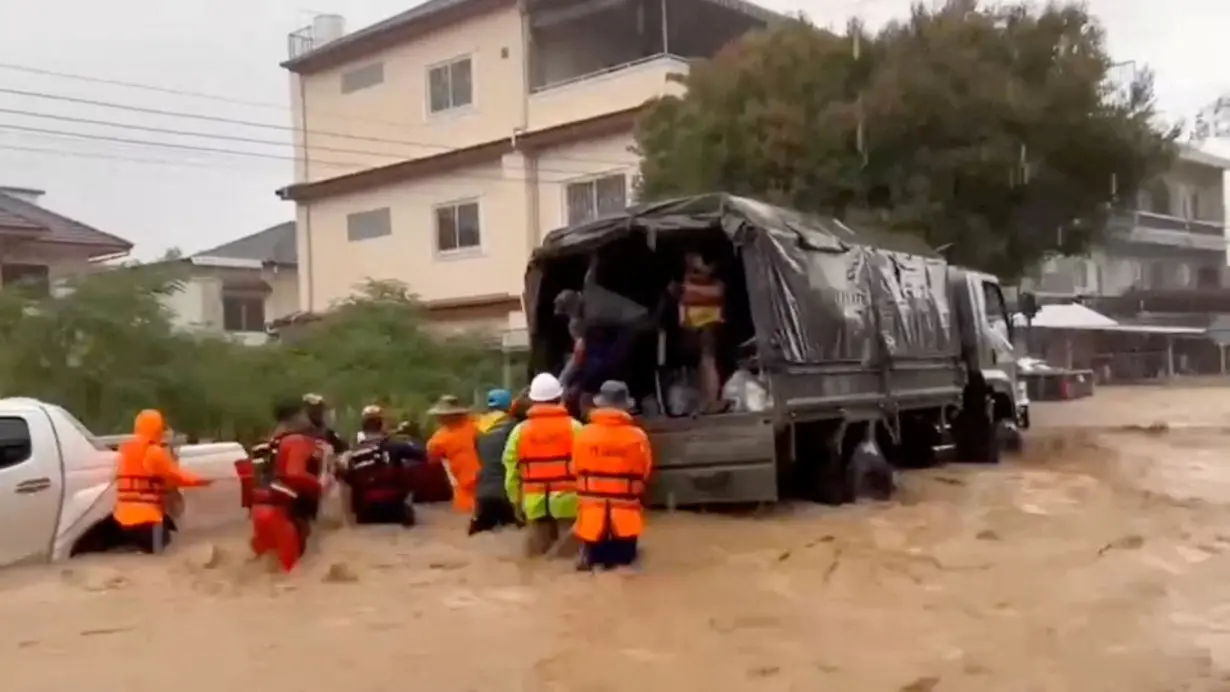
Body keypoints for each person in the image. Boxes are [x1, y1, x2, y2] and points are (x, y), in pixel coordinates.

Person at [571, 381, 653, 570]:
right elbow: (645, 472)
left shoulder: (583, 435)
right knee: (626, 574)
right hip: (625, 523)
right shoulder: (638, 438)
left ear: (600, 404)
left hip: (592, 523)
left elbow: (575, 469)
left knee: (593, 577)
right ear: (625, 405)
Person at [502, 373, 581, 557]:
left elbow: (511, 470)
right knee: (567, 559)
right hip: (567, 501)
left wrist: (515, 501)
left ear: (532, 401)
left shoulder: (519, 431)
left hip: (534, 502)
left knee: (536, 559)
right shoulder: (575, 428)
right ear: (559, 398)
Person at [112, 409, 212, 553]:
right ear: (158, 429)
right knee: (164, 549)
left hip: (121, 521)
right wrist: (200, 481)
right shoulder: (154, 452)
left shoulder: (124, 449)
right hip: (147, 521)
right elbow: (175, 476)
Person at [249, 399, 325, 573]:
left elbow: (251, 480)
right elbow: (294, 474)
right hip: (285, 513)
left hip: (259, 511)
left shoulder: (263, 446)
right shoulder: (297, 440)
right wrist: (319, 484)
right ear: (297, 416)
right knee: (292, 575)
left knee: (266, 572)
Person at [338, 405, 425, 526]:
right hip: (395, 511)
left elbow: (345, 480)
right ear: (382, 424)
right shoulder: (395, 447)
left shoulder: (351, 452)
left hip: (364, 515)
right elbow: (422, 455)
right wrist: (415, 436)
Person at [673, 252, 725, 412]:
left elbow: (718, 292)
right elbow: (681, 301)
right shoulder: (686, 280)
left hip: (709, 323)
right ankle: (702, 400)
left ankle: (711, 400)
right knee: (698, 364)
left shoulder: (716, 284)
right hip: (690, 325)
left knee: (707, 360)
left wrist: (687, 288)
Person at [470, 389, 524, 535]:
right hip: (506, 495)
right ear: (508, 405)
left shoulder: (477, 428)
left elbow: (478, 456)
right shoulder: (514, 427)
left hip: (482, 494)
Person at [425, 395, 481, 514]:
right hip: (481, 484)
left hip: (468, 487)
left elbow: (432, 461)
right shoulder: (479, 425)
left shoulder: (439, 439)